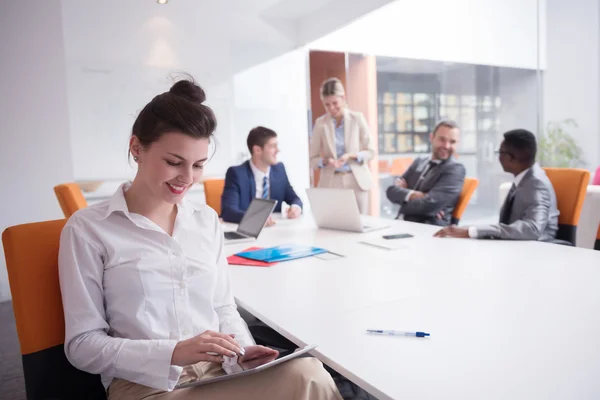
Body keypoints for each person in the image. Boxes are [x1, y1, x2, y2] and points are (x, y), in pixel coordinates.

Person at [58, 79, 342, 400]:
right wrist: (173, 352)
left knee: (310, 375)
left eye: (198, 165)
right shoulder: (88, 229)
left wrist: (242, 351)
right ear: (136, 148)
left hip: (218, 375)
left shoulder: (205, 220)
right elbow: (82, 345)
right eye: (174, 162)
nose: (187, 178)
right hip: (148, 387)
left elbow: (222, 306)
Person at [434, 129, 560, 241]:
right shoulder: (524, 178)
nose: (498, 157)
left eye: (500, 152)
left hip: (537, 251)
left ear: (510, 158)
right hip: (516, 245)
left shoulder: (536, 184)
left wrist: (471, 231)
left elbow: (532, 228)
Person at [309, 77, 375, 214]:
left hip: (356, 180)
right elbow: (313, 159)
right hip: (331, 182)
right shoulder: (321, 123)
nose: (331, 108)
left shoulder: (357, 118)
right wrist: (326, 161)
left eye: (335, 103)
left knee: (361, 226)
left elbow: (371, 151)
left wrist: (352, 155)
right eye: (327, 104)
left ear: (343, 98)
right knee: (334, 227)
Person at [386, 120, 465, 226]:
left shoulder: (455, 169)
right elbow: (391, 191)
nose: (446, 146)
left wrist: (404, 197)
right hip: (400, 224)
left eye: (452, 142)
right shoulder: (419, 161)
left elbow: (428, 206)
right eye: (442, 139)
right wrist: (422, 197)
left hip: (427, 229)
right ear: (431, 137)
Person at [221, 126, 302, 226]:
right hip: (248, 231)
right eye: (272, 146)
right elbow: (229, 211)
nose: (277, 150)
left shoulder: (279, 170)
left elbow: (295, 199)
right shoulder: (236, 173)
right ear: (257, 150)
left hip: (274, 230)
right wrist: (257, 218)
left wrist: (295, 207)